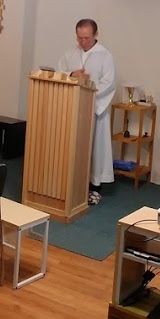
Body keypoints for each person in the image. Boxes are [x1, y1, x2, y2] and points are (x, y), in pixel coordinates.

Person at [57, 18, 116, 205]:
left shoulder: (105, 55)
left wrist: (89, 92)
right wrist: (73, 75)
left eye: (87, 38)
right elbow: (59, 73)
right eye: (79, 38)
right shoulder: (69, 53)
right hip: (73, 110)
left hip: (94, 110)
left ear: (95, 35)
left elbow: (109, 83)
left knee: (95, 149)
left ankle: (95, 188)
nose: (83, 42)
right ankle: (71, 185)